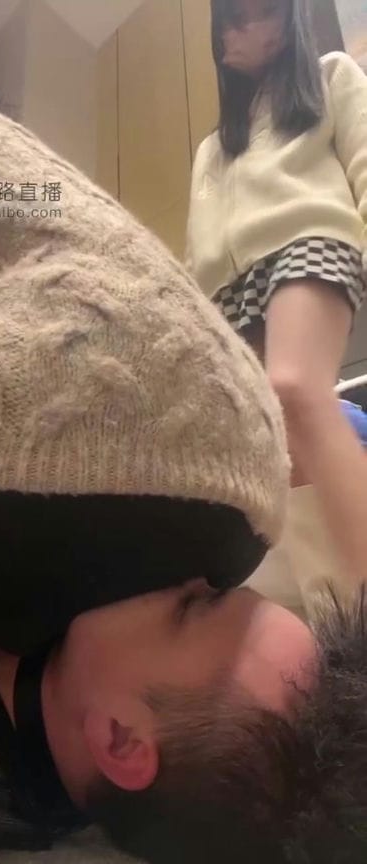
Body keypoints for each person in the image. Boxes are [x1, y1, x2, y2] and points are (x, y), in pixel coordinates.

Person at [0, 64, 366, 864]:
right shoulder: (70, 603)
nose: (194, 570)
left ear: (119, 740)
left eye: (195, 605)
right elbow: (29, 198)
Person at [187, 0, 367, 595]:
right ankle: (341, 611)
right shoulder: (213, 148)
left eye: (263, 12)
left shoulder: (331, 75)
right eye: (233, 20)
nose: (247, 30)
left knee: (294, 386)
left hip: (310, 238)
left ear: (288, 19)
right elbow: (196, 249)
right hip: (227, 289)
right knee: (277, 451)